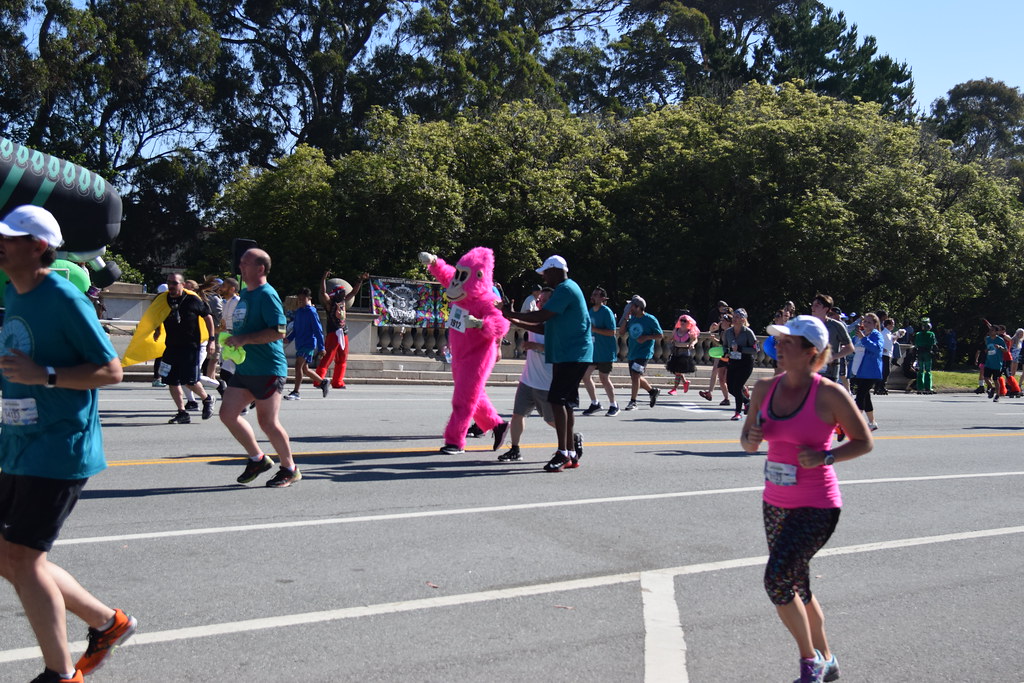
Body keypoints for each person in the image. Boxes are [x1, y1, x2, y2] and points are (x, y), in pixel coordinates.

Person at [0, 205, 136, 683]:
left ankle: (60, 675)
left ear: (38, 246)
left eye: (9, 238)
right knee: (9, 554)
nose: (0, 244)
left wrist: (46, 375)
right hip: (19, 442)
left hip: (60, 447)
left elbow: (111, 371)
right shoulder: (14, 292)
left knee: (22, 557)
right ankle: (107, 622)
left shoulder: (63, 297)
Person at [739, 314, 873, 683]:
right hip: (775, 501)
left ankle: (809, 661)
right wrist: (751, 439)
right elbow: (746, 441)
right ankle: (828, 660)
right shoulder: (764, 388)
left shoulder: (829, 394)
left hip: (817, 504)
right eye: (778, 341)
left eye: (787, 342)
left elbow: (864, 441)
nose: (777, 347)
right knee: (797, 584)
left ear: (811, 351)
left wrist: (826, 456)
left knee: (777, 580)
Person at [501, 255, 591, 472]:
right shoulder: (567, 289)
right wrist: (512, 319)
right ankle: (570, 453)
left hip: (571, 354)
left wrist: (510, 312)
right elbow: (543, 327)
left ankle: (562, 453)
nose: (544, 278)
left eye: (545, 273)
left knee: (557, 401)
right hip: (569, 354)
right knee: (566, 403)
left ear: (555, 271)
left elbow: (542, 315)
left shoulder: (565, 289)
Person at [221, 248, 302, 487]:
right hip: (246, 368)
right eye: (240, 263)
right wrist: (230, 337)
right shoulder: (246, 294)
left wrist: (244, 339)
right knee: (227, 414)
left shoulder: (267, 294)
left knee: (267, 422)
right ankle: (258, 459)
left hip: (268, 368)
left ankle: (290, 469)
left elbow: (279, 331)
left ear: (260, 268)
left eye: (245, 263)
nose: (240, 267)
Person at [499, 287, 556, 462]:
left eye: (545, 301)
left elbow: (559, 350)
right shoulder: (534, 319)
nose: (541, 304)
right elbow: (520, 321)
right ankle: (515, 449)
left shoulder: (556, 324)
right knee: (517, 414)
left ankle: (572, 438)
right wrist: (506, 311)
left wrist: (536, 346)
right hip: (528, 379)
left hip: (546, 383)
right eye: (540, 301)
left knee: (551, 420)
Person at [159, 273, 217, 424]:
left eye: (174, 283)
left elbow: (208, 317)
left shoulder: (192, 299)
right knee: (172, 381)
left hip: (190, 346)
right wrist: (157, 329)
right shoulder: (163, 299)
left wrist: (211, 340)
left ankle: (207, 399)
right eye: (169, 282)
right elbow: (156, 315)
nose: (171, 286)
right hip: (171, 346)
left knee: (189, 381)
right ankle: (182, 412)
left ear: (182, 285)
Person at [315, 270, 368, 389]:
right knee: (328, 357)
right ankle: (318, 380)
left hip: (343, 332)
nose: (344, 294)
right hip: (333, 333)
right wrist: (324, 278)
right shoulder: (330, 303)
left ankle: (337, 382)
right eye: (342, 292)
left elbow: (354, 292)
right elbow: (323, 292)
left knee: (342, 358)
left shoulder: (343, 301)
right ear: (336, 293)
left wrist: (360, 280)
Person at [284, 287, 330, 400]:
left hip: (308, 344)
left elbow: (318, 330)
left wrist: (321, 347)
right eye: (299, 299)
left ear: (309, 298)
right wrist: (288, 339)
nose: (300, 301)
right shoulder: (299, 312)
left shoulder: (311, 312)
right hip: (300, 344)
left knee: (298, 365)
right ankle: (323, 382)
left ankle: (296, 392)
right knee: (305, 369)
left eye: (303, 299)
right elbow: (296, 329)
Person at [618, 295, 663, 411]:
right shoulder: (631, 319)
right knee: (635, 377)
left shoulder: (650, 319)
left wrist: (646, 337)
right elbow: (621, 332)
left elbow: (660, 335)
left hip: (644, 353)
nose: (629, 307)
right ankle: (652, 391)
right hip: (632, 352)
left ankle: (633, 402)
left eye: (631, 306)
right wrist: (625, 319)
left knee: (635, 375)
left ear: (638, 307)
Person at [580, 287, 620, 416]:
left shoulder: (606, 312)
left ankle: (614, 405)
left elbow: (612, 332)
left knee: (604, 378)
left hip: (605, 351)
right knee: (585, 375)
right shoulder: (590, 311)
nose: (592, 297)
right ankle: (595, 403)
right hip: (593, 351)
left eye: (596, 295)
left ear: (603, 298)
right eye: (592, 294)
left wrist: (595, 329)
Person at [850, 313, 883, 430]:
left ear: (875, 324)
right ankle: (872, 422)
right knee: (865, 397)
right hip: (860, 370)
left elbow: (877, 349)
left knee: (860, 395)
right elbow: (852, 347)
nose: (866, 324)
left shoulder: (876, 335)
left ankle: (855, 423)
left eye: (869, 322)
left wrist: (864, 339)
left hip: (871, 371)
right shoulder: (859, 334)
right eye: (865, 321)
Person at [810, 294, 853, 385]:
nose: (813, 307)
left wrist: (833, 357)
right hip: (810, 370)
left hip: (829, 372)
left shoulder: (836, 326)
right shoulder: (807, 325)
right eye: (812, 305)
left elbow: (850, 348)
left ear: (826, 309)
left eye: (817, 305)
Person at [724, 308, 758, 420]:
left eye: (738, 317)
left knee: (738, 387)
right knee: (730, 388)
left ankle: (738, 412)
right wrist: (726, 352)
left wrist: (740, 349)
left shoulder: (748, 332)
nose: (734, 319)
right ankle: (748, 402)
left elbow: (755, 349)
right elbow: (725, 346)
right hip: (733, 361)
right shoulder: (728, 332)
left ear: (743, 319)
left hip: (746, 362)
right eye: (734, 316)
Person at [699, 309, 732, 405]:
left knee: (729, 379)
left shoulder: (732, 332)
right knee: (717, 373)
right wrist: (713, 338)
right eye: (722, 317)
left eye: (724, 319)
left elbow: (732, 345)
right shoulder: (722, 329)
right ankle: (712, 393)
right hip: (722, 353)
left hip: (729, 355)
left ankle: (742, 390)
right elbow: (721, 342)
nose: (722, 320)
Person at [667, 314, 699, 394]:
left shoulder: (690, 332)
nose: (683, 322)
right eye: (681, 320)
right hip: (676, 352)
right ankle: (685, 382)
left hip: (684, 353)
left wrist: (692, 344)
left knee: (678, 372)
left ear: (689, 322)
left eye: (685, 321)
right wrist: (672, 342)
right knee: (677, 371)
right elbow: (671, 339)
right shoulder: (676, 330)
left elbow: (695, 340)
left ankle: (674, 389)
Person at [913, 318, 938, 395]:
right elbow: (934, 344)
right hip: (928, 353)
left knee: (920, 370)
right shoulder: (931, 334)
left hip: (920, 353)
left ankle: (920, 388)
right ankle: (928, 387)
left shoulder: (918, 334)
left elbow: (916, 344)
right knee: (928, 370)